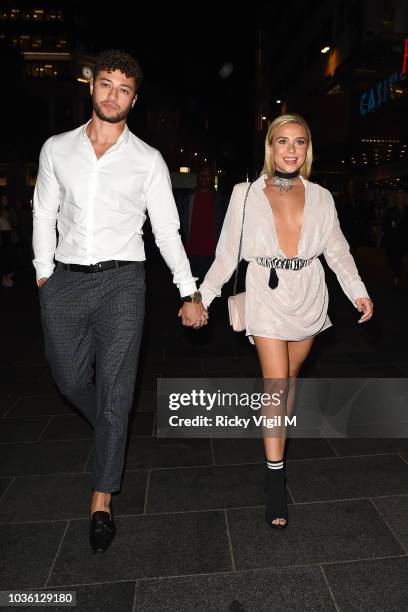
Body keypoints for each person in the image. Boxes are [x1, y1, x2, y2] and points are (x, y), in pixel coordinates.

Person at [32, 49, 208, 552]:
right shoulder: (57, 149)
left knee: (115, 392)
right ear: (92, 87)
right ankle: (116, 422)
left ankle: (102, 500)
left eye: (124, 89)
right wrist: (44, 273)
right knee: (68, 379)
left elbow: (168, 231)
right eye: (106, 84)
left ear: (135, 98)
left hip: (123, 285)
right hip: (64, 279)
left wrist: (188, 291)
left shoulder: (147, 160)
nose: (113, 95)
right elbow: (44, 213)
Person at [199, 114, 373, 529]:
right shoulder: (245, 193)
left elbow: (338, 251)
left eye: (299, 142)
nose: (290, 149)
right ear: (270, 148)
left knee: (290, 378)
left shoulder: (322, 196)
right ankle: (275, 480)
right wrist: (201, 297)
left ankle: (274, 438)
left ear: (307, 149)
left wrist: (358, 291)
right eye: (282, 141)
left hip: (310, 293)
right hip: (265, 292)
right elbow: (226, 254)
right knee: (277, 384)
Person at [180, 166, 227, 282]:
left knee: (210, 290)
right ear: (197, 178)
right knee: (193, 292)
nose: (204, 178)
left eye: (207, 175)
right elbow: (181, 223)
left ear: (211, 178)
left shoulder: (219, 200)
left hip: (212, 254)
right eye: (202, 175)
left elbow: (225, 226)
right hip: (192, 253)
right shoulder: (188, 198)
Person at [382, 190, 408, 288]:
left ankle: (397, 276)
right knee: (392, 259)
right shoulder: (390, 210)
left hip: (404, 239)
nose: (400, 199)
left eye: (402, 197)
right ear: (395, 198)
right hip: (393, 239)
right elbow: (385, 224)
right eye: (398, 197)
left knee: (398, 258)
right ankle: (396, 275)